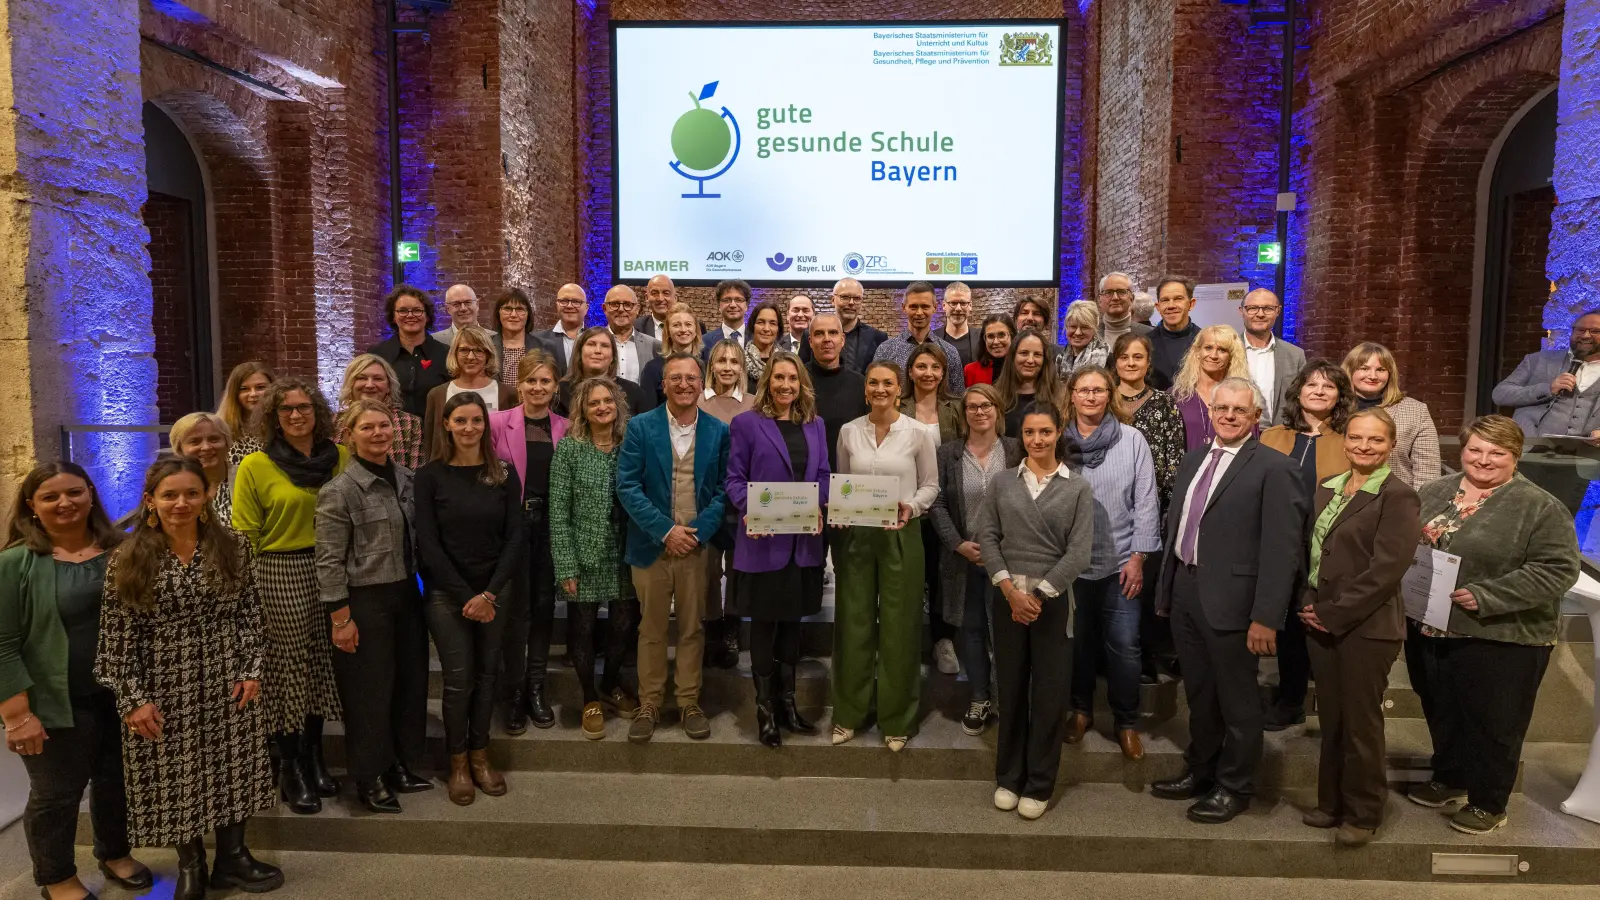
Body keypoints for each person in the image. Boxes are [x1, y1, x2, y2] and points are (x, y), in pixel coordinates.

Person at [98, 457, 281, 899]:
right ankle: (191, 864)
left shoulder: (233, 544)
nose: (181, 503)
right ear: (151, 501)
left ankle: (233, 859)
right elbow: (116, 639)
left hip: (227, 675)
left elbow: (250, 615)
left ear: (207, 497)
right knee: (176, 776)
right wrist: (133, 699)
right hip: (162, 683)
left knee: (233, 769)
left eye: (191, 493)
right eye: (170, 494)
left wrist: (251, 670)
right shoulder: (128, 556)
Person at [1405, 415, 1580, 836]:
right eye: (1475, 449)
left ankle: (1489, 801)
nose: (1483, 460)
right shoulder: (1433, 492)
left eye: (1496, 453)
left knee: (1494, 722)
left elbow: (1558, 569)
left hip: (1501, 636)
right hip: (1431, 626)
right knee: (1442, 709)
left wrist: (1489, 595)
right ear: (1461, 451)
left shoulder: (1539, 506)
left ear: (1514, 457)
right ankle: (1450, 776)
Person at [1151, 377, 1305, 824]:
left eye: (1241, 410)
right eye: (1223, 409)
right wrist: (1168, 590)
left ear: (1256, 416)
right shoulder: (1195, 457)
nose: (1230, 416)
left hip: (1237, 603)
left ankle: (1235, 786)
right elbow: (1180, 526)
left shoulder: (1275, 469)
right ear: (1212, 411)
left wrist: (1266, 617)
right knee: (1199, 693)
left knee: (1238, 700)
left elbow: (1283, 551)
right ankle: (1202, 769)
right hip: (1186, 590)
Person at [1, 463, 151, 900]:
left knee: (115, 781)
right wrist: (16, 716)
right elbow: (2, 642)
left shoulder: (123, 550)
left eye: (73, 492)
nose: (64, 503)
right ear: (32, 506)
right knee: (56, 794)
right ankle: (57, 877)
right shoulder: (15, 564)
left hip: (119, 695)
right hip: (53, 700)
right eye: (50, 497)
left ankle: (115, 854)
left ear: (90, 494)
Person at [1297, 408, 1421, 847]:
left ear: (1390, 445)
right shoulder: (1328, 487)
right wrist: (1309, 603)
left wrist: (1331, 613)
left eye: (1374, 440)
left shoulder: (1398, 496)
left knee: (1360, 723)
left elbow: (1386, 570)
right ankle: (1331, 803)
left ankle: (1364, 812)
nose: (1363, 447)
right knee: (1332, 718)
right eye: (1355, 438)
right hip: (1320, 619)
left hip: (1367, 627)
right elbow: (1312, 555)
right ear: (1344, 440)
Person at [973, 401, 1095, 820]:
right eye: (1029, 433)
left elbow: (1079, 553)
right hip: (1007, 597)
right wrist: (1008, 590)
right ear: (1020, 436)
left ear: (1058, 432)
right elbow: (987, 536)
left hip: (1053, 603)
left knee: (1048, 695)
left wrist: (1038, 596)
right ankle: (1009, 777)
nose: (1037, 440)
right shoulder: (1004, 483)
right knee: (1009, 689)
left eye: (1045, 432)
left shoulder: (1077, 487)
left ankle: (1040, 782)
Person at [231, 376, 347, 816]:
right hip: (280, 570)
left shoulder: (340, 457)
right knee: (287, 671)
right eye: (286, 410)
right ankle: (290, 765)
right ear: (274, 419)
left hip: (333, 569)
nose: (296, 415)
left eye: (304, 407)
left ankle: (316, 755)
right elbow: (245, 532)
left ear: (317, 412)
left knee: (321, 665)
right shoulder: (256, 465)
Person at [313, 399, 431, 814]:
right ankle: (368, 777)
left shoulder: (406, 479)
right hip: (364, 600)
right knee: (369, 693)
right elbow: (328, 560)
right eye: (368, 428)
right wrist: (340, 618)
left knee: (407, 685)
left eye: (384, 426)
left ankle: (400, 763)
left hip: (405, 594)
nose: (379, 433)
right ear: (349, 435)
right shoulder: (339, 491)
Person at [617, 353, 730, 744]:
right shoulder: (640, 427)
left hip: (697, 547)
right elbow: (627, 487)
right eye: (675, 378)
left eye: (692, 378)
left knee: (691, 627)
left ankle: (688, 701)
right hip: (652, 544)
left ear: (702, 384)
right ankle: (648, 702)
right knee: (650, 628)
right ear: (663, 384)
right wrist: (666, 531)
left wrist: (696, 532)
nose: (684, 384)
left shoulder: (718, 430)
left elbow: (723, 491)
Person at [415, 393, 522, 805]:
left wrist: (489, 593)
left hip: (496, 589)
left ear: (485, 425)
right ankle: (457, 761)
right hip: (448, 594)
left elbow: (515, 537)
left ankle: (481, 755)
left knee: (487, 677)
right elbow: (428, 544)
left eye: (476, 421)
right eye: (460, 420)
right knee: (459, 680)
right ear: (446, 424)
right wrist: (468, 596)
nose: (469, 428)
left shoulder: (503, 474)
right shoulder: (429, 477)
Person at [831, 360, 939, 752]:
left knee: (900, 627)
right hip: (858, 538)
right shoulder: (848, 432)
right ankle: (848, 714)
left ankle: (897, 719)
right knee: (853, 624)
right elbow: (842, 481)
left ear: (899, 389)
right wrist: (841, 513)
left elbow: (931, 484)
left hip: (901, 535)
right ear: (865, 391)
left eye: (887, 383)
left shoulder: (918, 433)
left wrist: (912, 506)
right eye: (873, 382)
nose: (879, 389)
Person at [725, 353, 829, 747]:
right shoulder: (747, 424)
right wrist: (751, 509)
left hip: (802, 543)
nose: (786, 385)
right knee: (766, 625)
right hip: (764, 542)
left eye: (793, 378)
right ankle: (765, 710)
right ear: (767, 381)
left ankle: (788, 706)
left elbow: (822, 476)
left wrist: (817, 506)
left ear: (802, 383)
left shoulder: (816, 425)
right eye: (778, 378)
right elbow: (734, 479)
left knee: (793, 624)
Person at [1061, 366, 1160, 761]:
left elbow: (1147, 500)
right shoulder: (1058, 440)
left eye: (1098, 390)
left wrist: (1138, 557)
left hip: (1121, 561)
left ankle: (1126, 722)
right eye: (1083, 390)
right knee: (1078, 645)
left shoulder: (1132, 439)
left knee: (1124, 646)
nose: (1090, 397)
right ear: (1071, 395)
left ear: (1110, 395)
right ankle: (1081, 711)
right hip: (1071, 565)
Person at [1259, 360, 1356, 731]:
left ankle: (1316, 694)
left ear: (1339, 396)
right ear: (1297, 391)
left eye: (1328, 386)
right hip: (1277, 540)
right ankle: (1289, 699)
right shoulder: (1272, 436)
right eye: (1312, 384)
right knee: (1286, 622)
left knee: (1311, 619)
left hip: (1327, 544)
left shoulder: (1349, 439)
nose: (1319, 391)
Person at [550, 377, 641, 740]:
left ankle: (609, 683)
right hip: (583, 554)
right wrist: (565, 564)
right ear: (582, 411)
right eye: (593, 403)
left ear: (617, 404)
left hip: (625, 551)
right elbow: (558, 512)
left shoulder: (630, 446)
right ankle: (589, 696)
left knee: (623, 625)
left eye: (607, 401)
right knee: (582, 628)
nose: (602, 407)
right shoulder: (570, 449)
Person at [930, 384, 1023, 736]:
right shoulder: (948, 454)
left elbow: (1030, 499)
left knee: (1005, 632)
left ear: (998, 409)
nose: (979, 412)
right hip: (963, 559)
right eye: (972, 406)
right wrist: (958, 544)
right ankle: (980, 696)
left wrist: (1003, 546)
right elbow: (937, 505)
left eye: (986, 405)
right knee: (970, 631)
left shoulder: (1016, 449)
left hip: (1009, 560)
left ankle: (1008, 697)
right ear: (963, 412)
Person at [488, 351, 568, 735]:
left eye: (546, 382)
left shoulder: (566, 428)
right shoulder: (496, 423)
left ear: (555, 388)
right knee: (514, 612)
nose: (538, 388)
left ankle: (536, 687)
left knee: (542, 609)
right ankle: (513, 690)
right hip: (511, 530)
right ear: (519, 384)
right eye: (531, 381)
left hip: (550, 528)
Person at [1111, 332, 1187, 684]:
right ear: (1115, 361)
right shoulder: (1101, 401)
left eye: (1137, 357)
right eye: (1124, 356)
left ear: (1148, 362)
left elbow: (1175, 459)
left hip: (1152, 510)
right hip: (1106, 508)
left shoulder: (1163, 403)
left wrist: (1163, 504)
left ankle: (1144, 657)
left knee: (1144, 585)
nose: (1130, 363)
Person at [899, 341, 963, 675]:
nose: (928, 373)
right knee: (910, 576)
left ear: (944, 372)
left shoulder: (957, 406)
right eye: (921, 367)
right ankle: (905, 642)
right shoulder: (898, 405)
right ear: (910, 371)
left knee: (943, 574)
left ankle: (943, 640)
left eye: (935, 367)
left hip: (948, 503)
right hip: (908, 503)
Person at [698, 339, 755, 671]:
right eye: (721, 361)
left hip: (741, 501)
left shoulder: (752, 403)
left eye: (734, 362)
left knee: (737, 567)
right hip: (705, 500)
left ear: (741, 368)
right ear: (711, 366)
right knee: (707, 569)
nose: (728, 367)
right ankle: (712, 627)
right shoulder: (698, 402)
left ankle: (732, 627)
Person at [1341, 342, 1442, 490]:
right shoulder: (1334, 406)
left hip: (1394, 500)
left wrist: (1417, 508)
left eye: (1381, 369)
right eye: (1364, 368)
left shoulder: (1415, 410)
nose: (1372, 376)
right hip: (1338, 499)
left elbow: (1428, 471)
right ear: (1350, 371)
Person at [1492, 309, 1600, 438]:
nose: (1586, 336)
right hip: (1533, 447)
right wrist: (1548, 389)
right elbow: (1500, 394)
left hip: (1589, 452)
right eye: (1580, 330)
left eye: (1595, 331)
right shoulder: (1537, 360)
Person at [422, 326, 518, 459]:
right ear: (454, 353)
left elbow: (515, 443)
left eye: (478, 350)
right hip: (448, 473)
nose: (471, 357)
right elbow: (431, 445)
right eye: (464, 350)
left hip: (494, 471)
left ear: (488, 354)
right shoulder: (437, 395)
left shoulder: (508, 394)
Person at [370, 285, 451, 418]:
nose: (410, 315)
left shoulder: (445, 353)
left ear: (428, 316)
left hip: (435, 432)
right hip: (390, 433)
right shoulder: (377, 354)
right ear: (393, 317)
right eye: (402, 311)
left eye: (417, 310)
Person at [873, 281, 965, 395]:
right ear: (904, 308)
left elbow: (957, 397)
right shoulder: (886, 350)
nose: (919, 312)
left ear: (935, 308)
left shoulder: (949, 352)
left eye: (925, 306)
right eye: (913, 307)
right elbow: (876, 392)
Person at [1170, 324, 1252, 451]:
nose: (1213, 355)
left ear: (1231, 357)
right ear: (1197, 352)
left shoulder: (1243, 396)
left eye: (1222, 350)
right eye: (1208, 348)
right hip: (1186, 468)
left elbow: (1250, 444)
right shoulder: (1176, 395)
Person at [336, 353, 425, 468]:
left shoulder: (410, 423)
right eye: (362, 378)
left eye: (378, 379)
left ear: (389, 386)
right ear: (350, 384)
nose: (369, 385)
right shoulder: (332, 422)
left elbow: (415, 476)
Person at [804, 313, 868, 472]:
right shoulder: (796, 382)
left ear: (842, 340)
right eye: (819, 333)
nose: (827, 339)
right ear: (810, 341)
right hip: (804, 477)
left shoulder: (861, 384)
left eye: (833, 332)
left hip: (848, 477)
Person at [555, 325, 651, 418]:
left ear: (613, 357)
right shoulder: (561, 392)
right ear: (579, 353)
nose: (598, 351)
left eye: (605, 346)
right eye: (591, 344)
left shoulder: (633, 391)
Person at [1239, 288, 1305, 424]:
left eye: (1268, 308)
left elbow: (1301, 399)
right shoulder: (1227, 349)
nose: (1260, 314)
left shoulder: (1295, 355)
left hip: (1279, 436)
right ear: (1242, 311)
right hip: (1235, 431)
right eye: (1252, 308)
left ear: (1278, 311)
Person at [800, 278, 887, 373]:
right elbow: (802, 373)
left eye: (857, 298)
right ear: (833, 300)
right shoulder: (810, 335)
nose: (851, 303)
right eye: (845, 297)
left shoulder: (878, 338)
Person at [170, 411, 237, 524]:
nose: (206, 447)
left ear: (227, 443)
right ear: (179, 449)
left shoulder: (250, 478)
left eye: (214, 439)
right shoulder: (168, 484)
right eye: (194, 442)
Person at [996, 330, 1060, 438]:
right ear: (1013, 356)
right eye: (1024, 353)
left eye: (1037, 354)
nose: (1030, 360)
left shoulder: (1060, 396)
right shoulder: (995, 397)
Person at [640, 304, 705, 406]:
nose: (683, 330)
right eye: (676, 325)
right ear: (668, 331)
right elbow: (648, 411)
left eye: (688, 324)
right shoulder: (653, 368)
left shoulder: (706, 365)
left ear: (696, 330)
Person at [1149, 274, 1202, 391]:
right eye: (1165, 300)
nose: (1171, 305)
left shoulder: (1205, 341)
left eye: (1178, 298)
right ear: (1158, 306)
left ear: (1191, 304)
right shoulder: (1145, 343)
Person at [217, 361, 274, 465]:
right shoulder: (221, 431)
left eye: (260, 387)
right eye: (244, 389)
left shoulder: (283, 426)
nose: (253, 394)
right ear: (234, 393)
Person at [604, 284, 660, 384]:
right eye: (615, 304)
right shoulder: (590, 342)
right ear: (604, 308)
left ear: (637, 309)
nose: (621, 309)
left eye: (627, 304)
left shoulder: (654, 346)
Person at [537, 283, 589, 379]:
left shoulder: (596, 341)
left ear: (586, 308)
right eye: (564, 301)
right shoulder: (538, 340)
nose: (569, 306)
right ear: (557, 305)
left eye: (576, 301)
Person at [491, 287, 533, 388]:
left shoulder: (545, 347)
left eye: (519, 309)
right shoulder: (485, 345)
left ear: (528, 314)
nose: (513, 315)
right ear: (498, 312)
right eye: (507, 309)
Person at [1058, 300, 1110, 377]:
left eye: (1084, 327)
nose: (1077, 332)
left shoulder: (1108, 360)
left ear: (1095, 328)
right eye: (1073, 327)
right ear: (1066, 327)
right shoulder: (1059, 359)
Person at [702, 278, 752, 357]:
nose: (733, 305)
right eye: (727, 300)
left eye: (738, 300)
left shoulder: (756, 339)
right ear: (719, 306)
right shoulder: (704, 341)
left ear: (746, 306)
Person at [1098, 272, 1152, 345]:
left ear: (1131, 299)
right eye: (1108, 292)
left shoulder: (1150, 334)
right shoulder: (1090, 334)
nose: (1115, 298)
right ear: (1100, 300)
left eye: (1121, 292)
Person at [639, 274, 698, 340]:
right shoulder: (636, 328)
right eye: (655, 293)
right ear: (647, 298)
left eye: (666, 293)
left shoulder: (696, 327)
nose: (660, 299)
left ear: (675, 298)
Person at [743, 300, 786, 391]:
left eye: (772, 323)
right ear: (752, 325)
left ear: (778, 328)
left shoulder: (787, 361)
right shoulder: (739, 360)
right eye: (761, 322)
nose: (766, 329)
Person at [939, 282, 983, 367]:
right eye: (953, 303)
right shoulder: (931, 338)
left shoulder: (982, 338)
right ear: (944, 305)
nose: (958, 308)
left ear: (970, 305)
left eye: (963, 303)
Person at [964, 314, 1014, 388]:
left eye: (1001, 335)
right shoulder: (970, 371)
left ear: (1012, 336)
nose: (996, 342)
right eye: (990, 336)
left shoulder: (1022, 369)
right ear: (984, 340)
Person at [432, 283, 479, 348]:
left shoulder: (495, 338)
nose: (463, 308)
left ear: (477, 305)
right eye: (456, 304)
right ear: (447, 309)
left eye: (468, 302)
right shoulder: (434, 341)